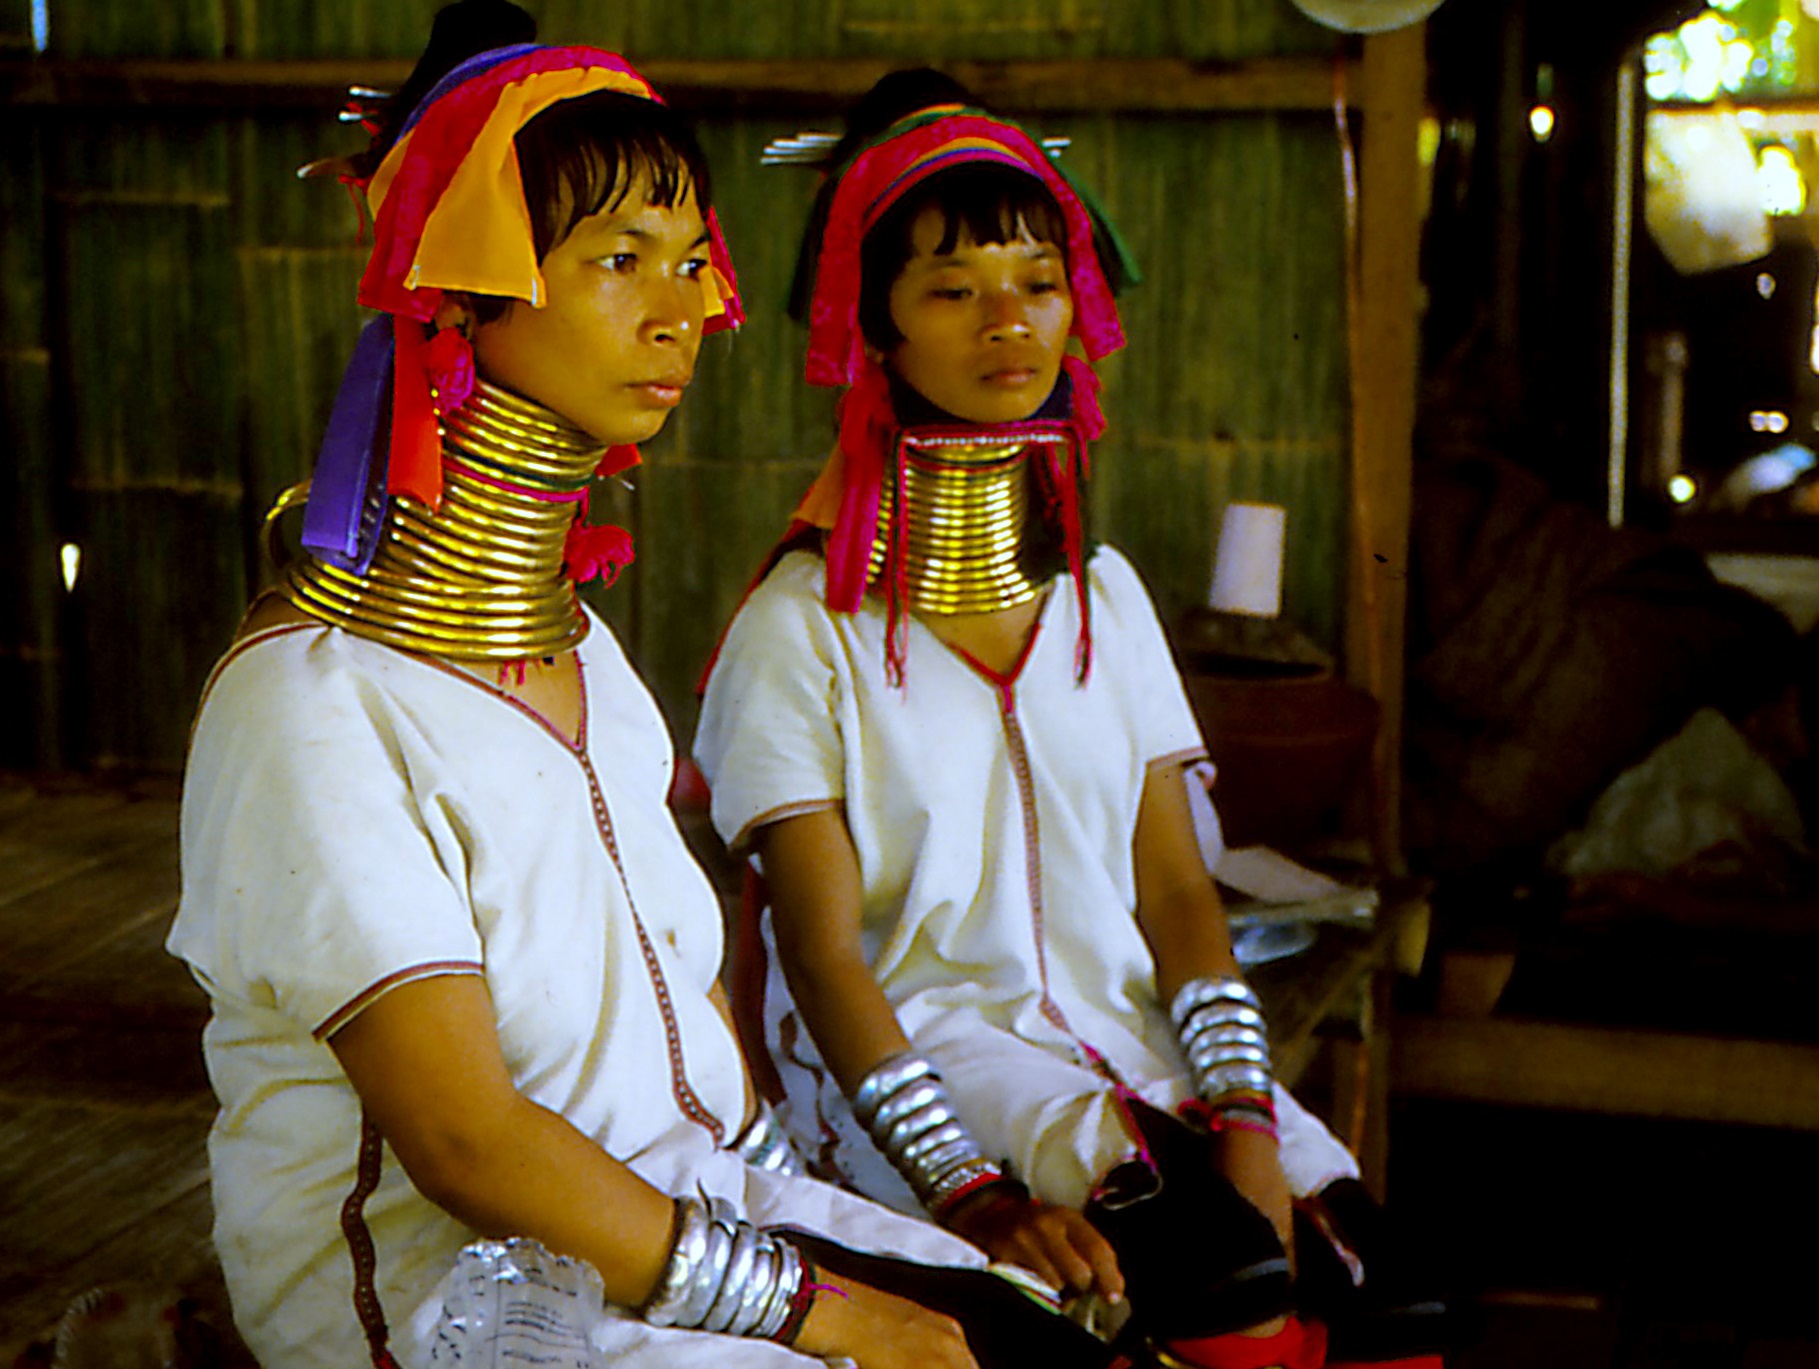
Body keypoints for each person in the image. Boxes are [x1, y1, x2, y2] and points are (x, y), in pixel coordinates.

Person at [165, 12, 1115, 1369]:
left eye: (686, 261)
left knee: (1049, 1340)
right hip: (453, 1299)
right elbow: (465, 1142)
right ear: (458, 289)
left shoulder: (587, 658)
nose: (683, 314)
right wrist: (841, 1310)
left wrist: (844, 1240)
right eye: (618, 261)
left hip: (679, 1212)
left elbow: (686, 1015)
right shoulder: (315, 706)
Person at [695, 73, 1444, 1369]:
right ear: (874, 326)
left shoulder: (1102, 598)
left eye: (1037, 281)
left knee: (1395, 1306)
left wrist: (1245, 1110)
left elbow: (1175, 888)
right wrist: (969, 1192)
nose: (1009, 321)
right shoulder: (799, 628)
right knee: (1232, 1304)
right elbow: (820, 958)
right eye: (952, 290)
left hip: (1139, 1050)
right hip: (927, 1065)